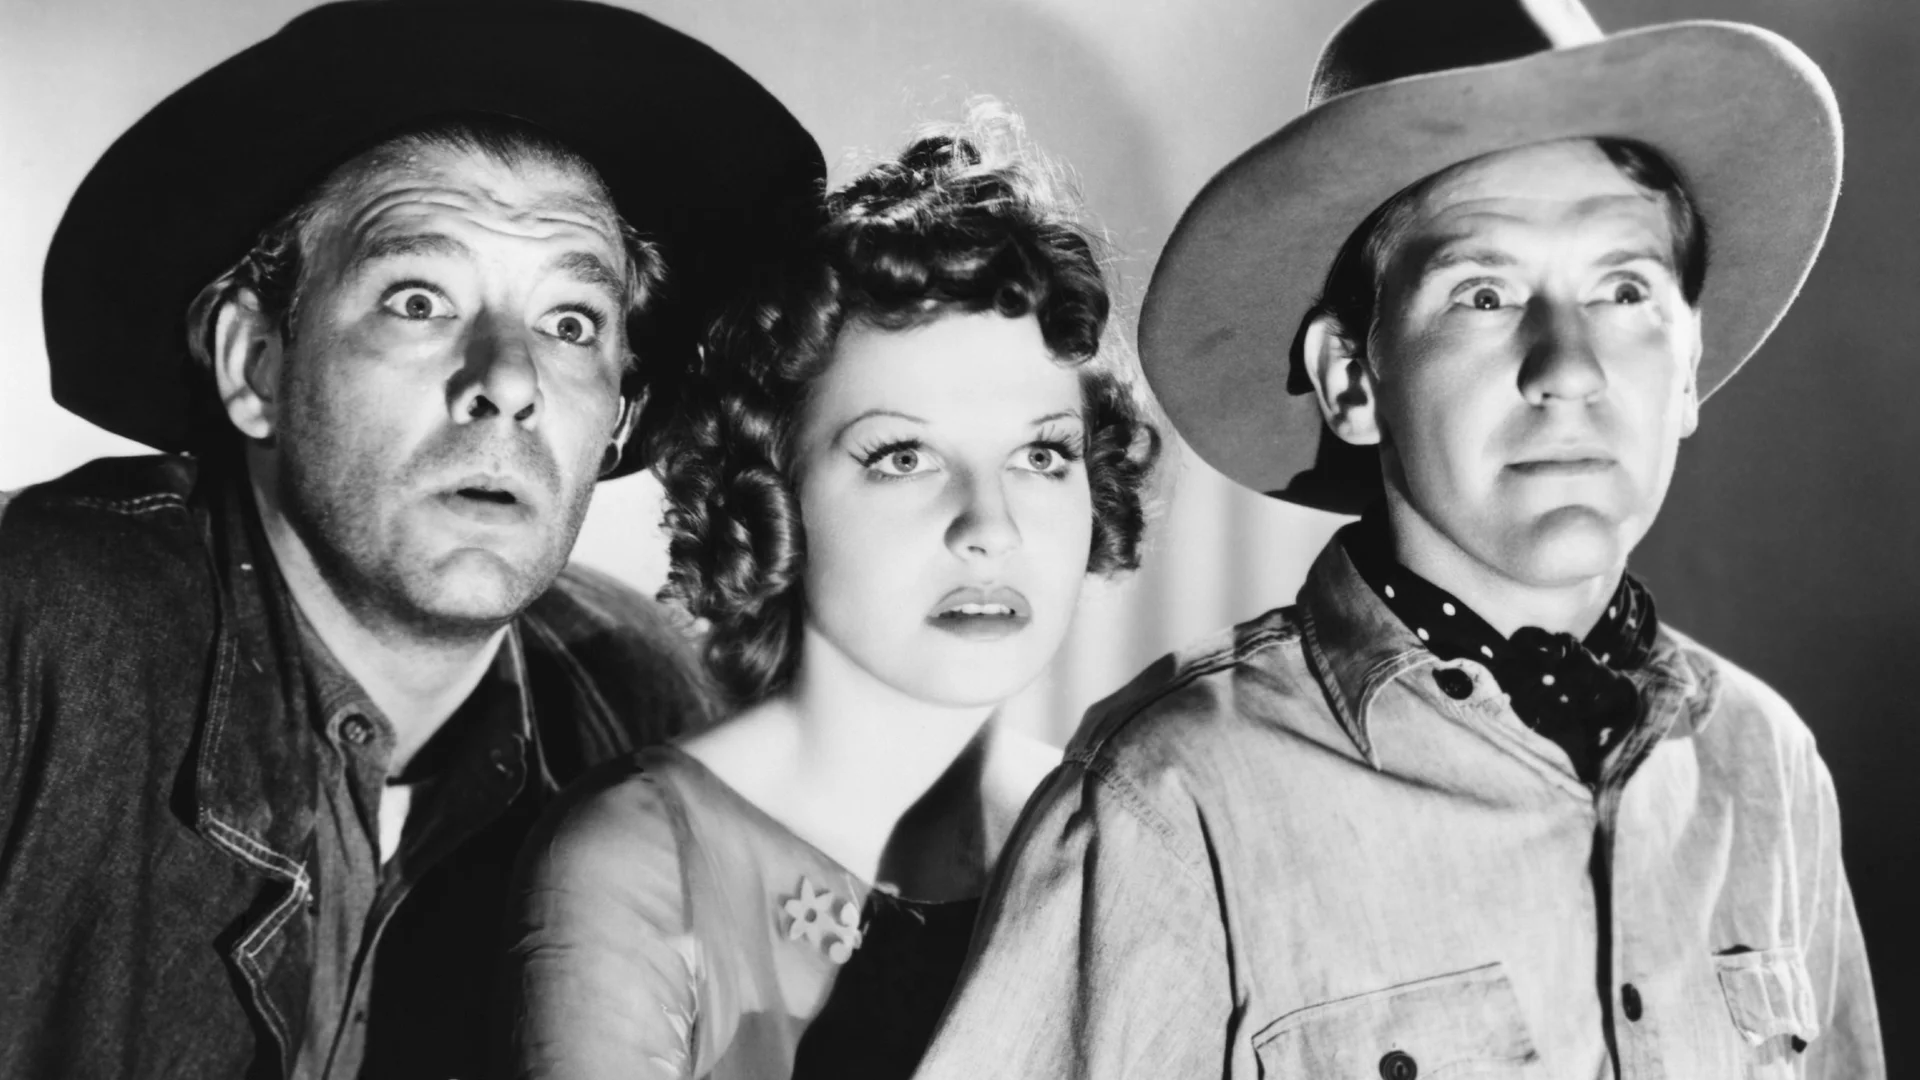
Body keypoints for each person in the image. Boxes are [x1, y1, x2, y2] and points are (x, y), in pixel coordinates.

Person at [915, 1, 1884, 1077]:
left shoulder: (1767, 766)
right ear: (1352, 380)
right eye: (1485, 293)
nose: (1570, 366)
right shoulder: (1173, 801)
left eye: (1623, 290)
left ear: (1688, 368)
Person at [0, 3, 823, 1077]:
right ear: (256, 365)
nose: (510, 381)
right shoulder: (35, 634)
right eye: (421, 300)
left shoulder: (648, 710)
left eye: (571, 323)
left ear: (621, 414)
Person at [500, 107, 1160, 1080]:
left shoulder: (1121, 840)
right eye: (903, 456)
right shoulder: (641, 860)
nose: (990, 525)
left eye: (1041, 455)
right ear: (773, 494)